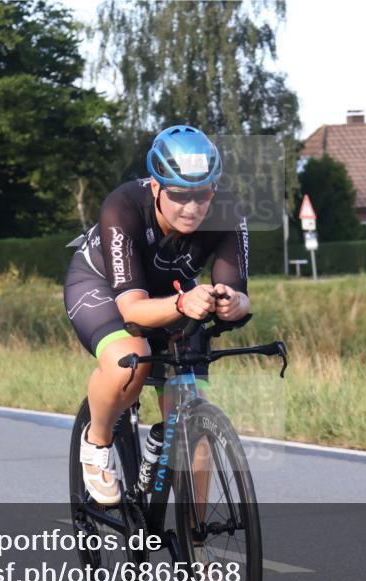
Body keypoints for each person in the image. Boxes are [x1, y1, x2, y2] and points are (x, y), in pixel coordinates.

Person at [63, 125, 251, 510]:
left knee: (192, 423)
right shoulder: (124, 205)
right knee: (129, 365)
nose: (193, 207)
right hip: (102, 286)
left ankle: (197, 549)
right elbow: (132, 309)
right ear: (155, 187)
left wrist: (234, 303)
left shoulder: (229, 211)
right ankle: (96, 441)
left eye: (202, 195)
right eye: (180, 195)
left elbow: (237, 290)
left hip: (174, 293)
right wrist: (183, 306)